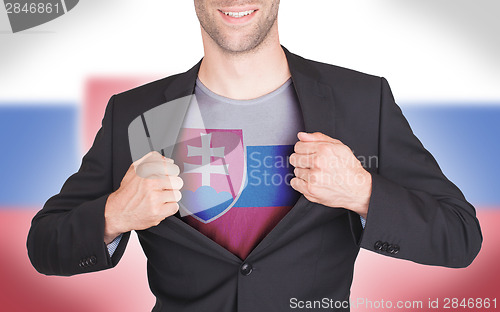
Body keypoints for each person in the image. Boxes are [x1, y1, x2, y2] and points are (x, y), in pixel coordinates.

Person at [27, 1, 482, 311]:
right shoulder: (136, 113)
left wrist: (363, 191)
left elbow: (460, 236)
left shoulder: (362, 101)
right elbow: (45, 245)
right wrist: (114, 214)